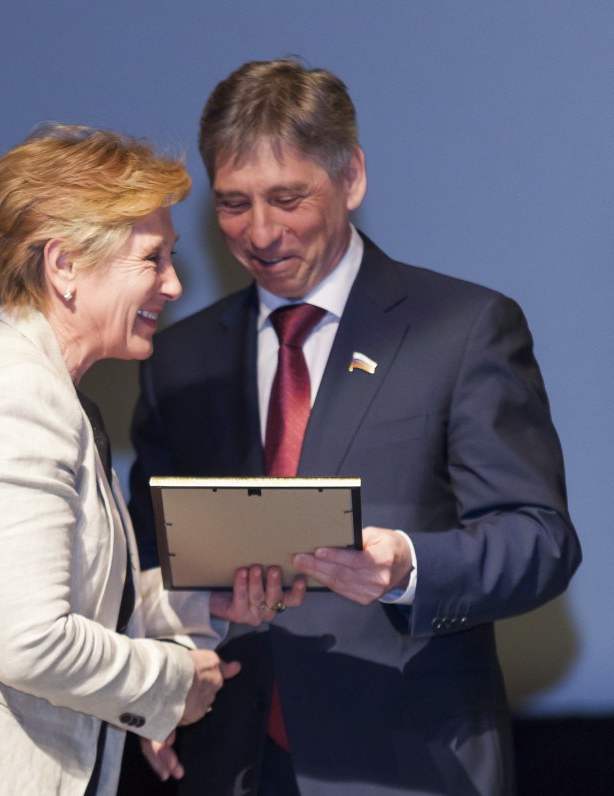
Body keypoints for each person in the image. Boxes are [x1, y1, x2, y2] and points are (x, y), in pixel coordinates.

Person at [126, 60, 582, 795]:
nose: (260, 232)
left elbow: (540, 541)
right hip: (226, 761)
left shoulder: (461, 329)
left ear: (352, 177)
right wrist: (156, 683)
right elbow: (145, 561)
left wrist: (408, 566)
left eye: (287, 198)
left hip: (407, 763)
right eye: (234, 204)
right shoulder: (180, 360)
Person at [0, 123, 304, 796]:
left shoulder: (39, 387)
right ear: (64, 265)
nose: (172, 285)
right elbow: (32, 642)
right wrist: (172, 684)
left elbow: (77, 600)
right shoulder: (19, 391)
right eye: (152, 259)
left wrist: (201, 602)